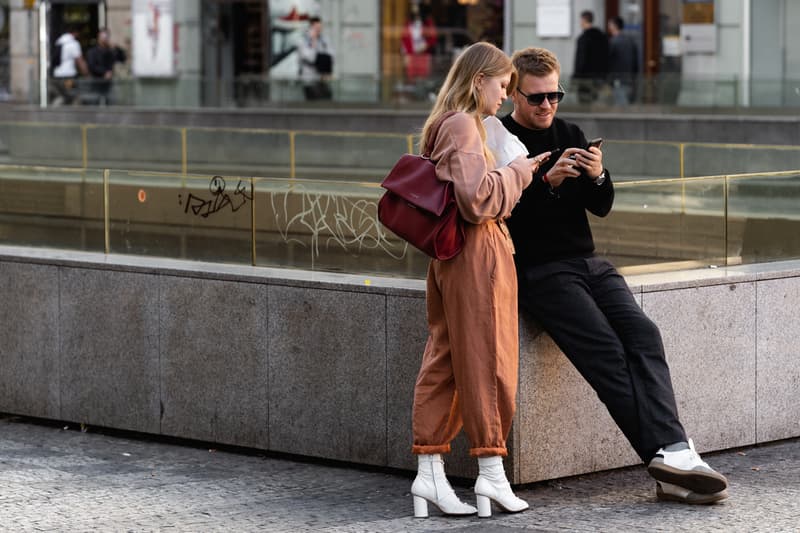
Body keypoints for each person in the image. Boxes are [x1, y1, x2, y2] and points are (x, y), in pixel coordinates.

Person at [500, 47, 730, 505]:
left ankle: (675, 458)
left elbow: (600, 206)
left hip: (590, 263)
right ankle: (670, 457)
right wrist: (547, 184)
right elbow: (498, 216)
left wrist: (599, 175)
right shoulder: (502, 141)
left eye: (555, 96)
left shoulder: (570, 133)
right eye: (537, 98)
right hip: (540, 271)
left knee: (644, 334)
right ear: (513, 94)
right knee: (606, 352)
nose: (547, 106)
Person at [410, 42, 551, 519]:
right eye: (502, 85)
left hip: (452, 254)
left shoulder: (445, 124)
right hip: (478, 252)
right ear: (478, 81)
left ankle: (429, 475)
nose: (505, 96)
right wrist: (519, 171)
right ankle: (491, 475)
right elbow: (478, 200)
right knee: (491, 360)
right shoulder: (466, 125)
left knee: (446, 357)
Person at [572, 10, 608, 104]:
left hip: (585, 78)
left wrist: (576, 76)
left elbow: (580, 60)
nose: (580, 22)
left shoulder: (583, 38)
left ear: (584, 20)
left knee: (584, 104)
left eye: (581, 20)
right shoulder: (602, 37)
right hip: (599, 77)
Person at [86, 28, 126, 105]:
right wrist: (104, 72)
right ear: (98, 37)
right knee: (94, 104)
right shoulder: (93, 51)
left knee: (110, 104)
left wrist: (117, 48)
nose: (105, 39)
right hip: (96, 82)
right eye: (103, 36)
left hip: (109, 83)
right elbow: (91, 66)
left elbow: (122, 59)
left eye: (107, 36)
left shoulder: (111, 51)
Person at [298, 16, 334, 100]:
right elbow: (309, 57)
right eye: (316, 28)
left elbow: (331, 56)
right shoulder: (303, 41)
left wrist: (321, 57)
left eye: (320, 27)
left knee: (327, 97)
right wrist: (313, 41)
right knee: (312, 99)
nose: (319, 30)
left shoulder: (324, 40)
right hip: (309, 78)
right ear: (311, 28)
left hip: (322, 78)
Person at [51, 24, 88, 105]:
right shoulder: (73, 43)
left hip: (57, 75)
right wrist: (86, 73)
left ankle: (54, 113)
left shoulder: (59, 41)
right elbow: (79, 60)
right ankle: (74, 116)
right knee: (75, 96)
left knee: (62, 96)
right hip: (68, 76)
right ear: (75, 33)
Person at [400, 5, 437, 83]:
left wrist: (424, 46)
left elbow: (433, 38)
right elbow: (404, 38)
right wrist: (407, 54)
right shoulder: (408, 23)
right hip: (411, 54)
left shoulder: (427, 22)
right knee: (411, 78)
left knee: (423, 78)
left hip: (423, 54)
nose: (415, 10)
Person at [607, 16, 639, 105]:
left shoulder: (613, 42)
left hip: (618, 80)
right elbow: (635, 63)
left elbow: (609, 62)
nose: (608, 27)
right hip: (630, 79)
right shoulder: (631, 41)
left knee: (620, 106)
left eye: (610, 25)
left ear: (614, 26)